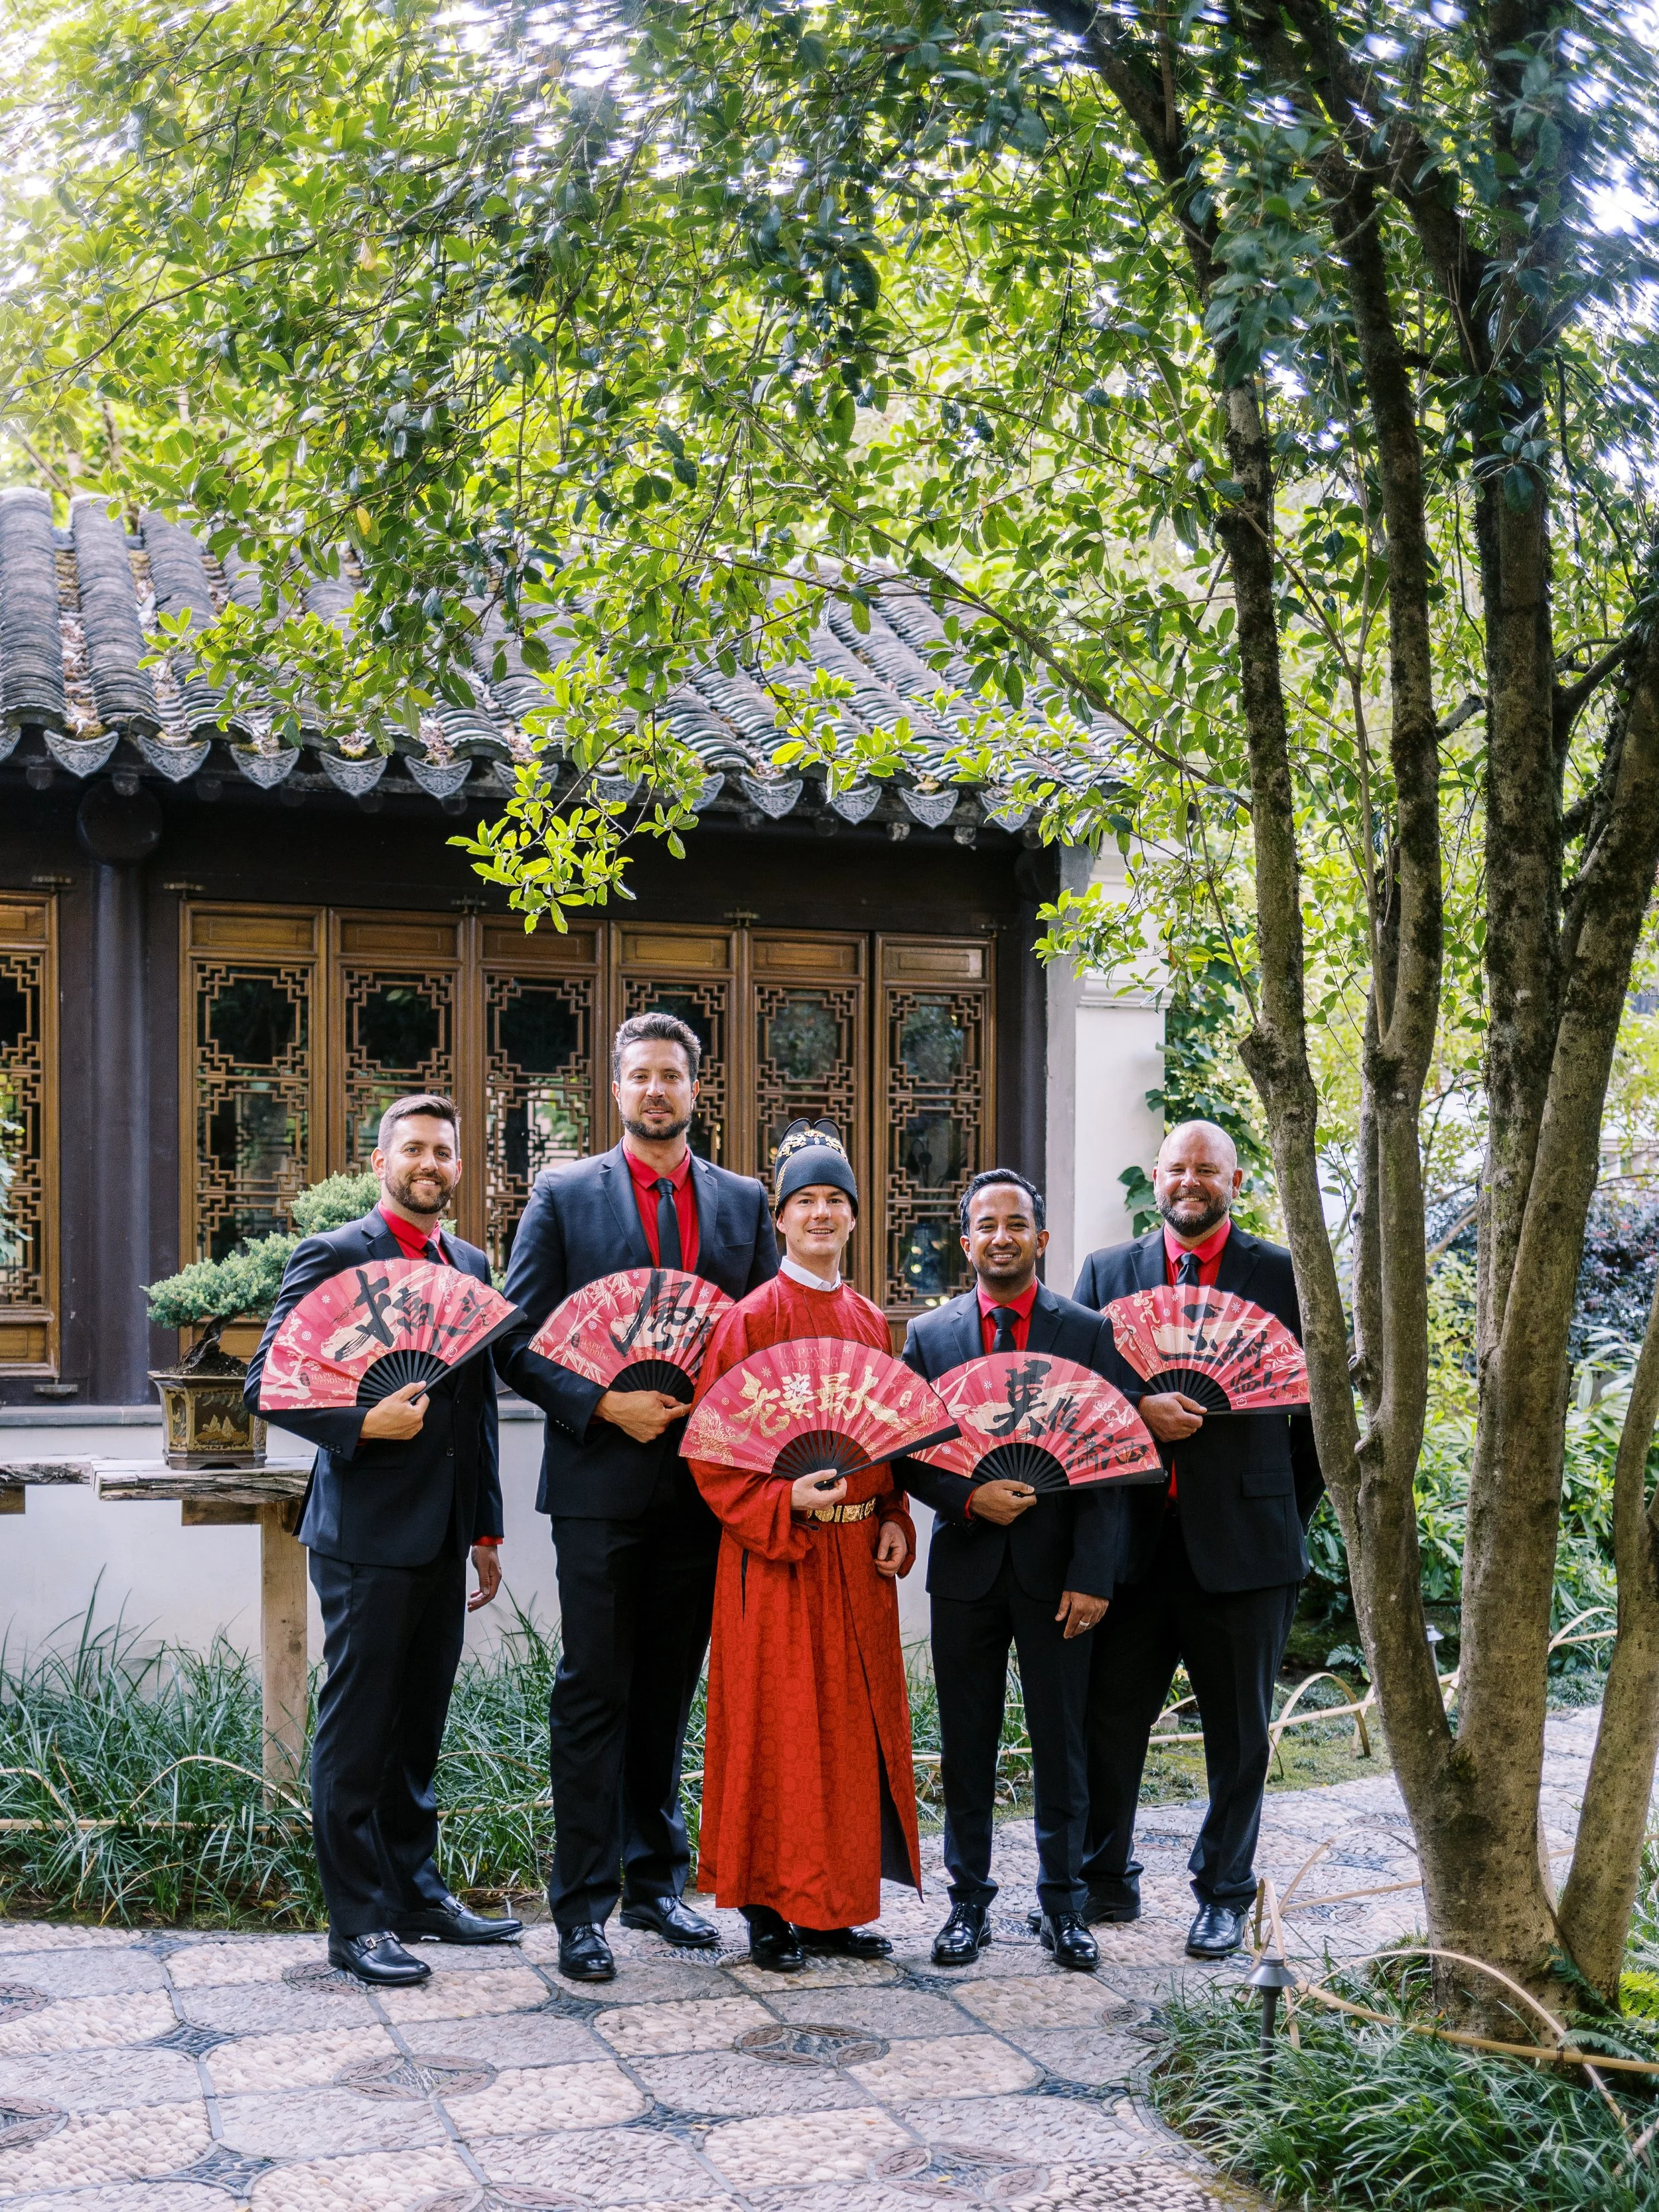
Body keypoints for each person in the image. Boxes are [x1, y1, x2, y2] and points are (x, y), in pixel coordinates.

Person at [498, 1011, 779, 1983]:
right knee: (594, 1689)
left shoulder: (743, 1204)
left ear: (696, 1090)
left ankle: (655, 1883)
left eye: (672, 1076)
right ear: (615, 1091)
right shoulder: (566, 1194)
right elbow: (515, 1338)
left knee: (666, 1689)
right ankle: (581, 1906)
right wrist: (602, 1402)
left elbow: (768, 1340)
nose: (656, 1090)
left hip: (706, 1491)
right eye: (640, 1076)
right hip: (599, 1486)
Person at [244, 1094, 522, 1987]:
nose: (429, 1163)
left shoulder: (470, 1261)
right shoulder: (335, 1255)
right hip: (363, 1534)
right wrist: (364, 1424)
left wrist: (484, 1527)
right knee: (358, 1731)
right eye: (413, 1149)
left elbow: (476, 1410)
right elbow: (270, 1384)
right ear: (380, 1162)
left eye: (444, 1150)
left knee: (417, 1730)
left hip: (445, 1532)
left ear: (459, 1167)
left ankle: (415, 1894)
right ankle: (357, 1922)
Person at [1072, 1119, 1323, 1958]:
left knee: (1239, 1737)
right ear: (1155, 1177)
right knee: (1108, 1722)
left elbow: (1316, 1424)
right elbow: (1080, 1400)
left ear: (1236, 1181)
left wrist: (1279, 1512)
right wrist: (1137, 1410)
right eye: (1176, 1168)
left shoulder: (1284, 1277)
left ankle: (1222, 1892)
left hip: (1246, 1546)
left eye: (1206, 1170)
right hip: (1132, 1543)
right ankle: (1102, 1878)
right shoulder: (1108, 1275)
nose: (1190, 1181)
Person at [685, 1120, 921, 1972]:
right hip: (775, 1560)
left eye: (835, 1201)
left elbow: (889, 1442)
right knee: (775, 1729)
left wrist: (895, 1518)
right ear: (779, 1220)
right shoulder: (749, 1321)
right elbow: (713, 1457)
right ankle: (765, 1906)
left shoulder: (867, 1320)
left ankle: (833, 1906)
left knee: (849, 1734)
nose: (820, 1215)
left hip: (858, 1566)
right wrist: (782, 1496)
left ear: (855, 1218)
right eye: (804, 1202)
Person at [898, 1171, 1121, 1973]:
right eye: (985, 1225)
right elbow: (910, 1454)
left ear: (1040, 1238)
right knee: (967, 1742)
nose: (1001, 1236)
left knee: (1062, 1740)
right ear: (966, 1242)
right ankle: (968, 1904)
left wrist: (1095, 1574)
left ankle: (1063, 1906)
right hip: (967, 1570)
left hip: (1061, 1576)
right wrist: (966, 1498)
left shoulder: (1087, 1332)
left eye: (1015, 1224)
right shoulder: (930, 1337)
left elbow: (1110, 1461)